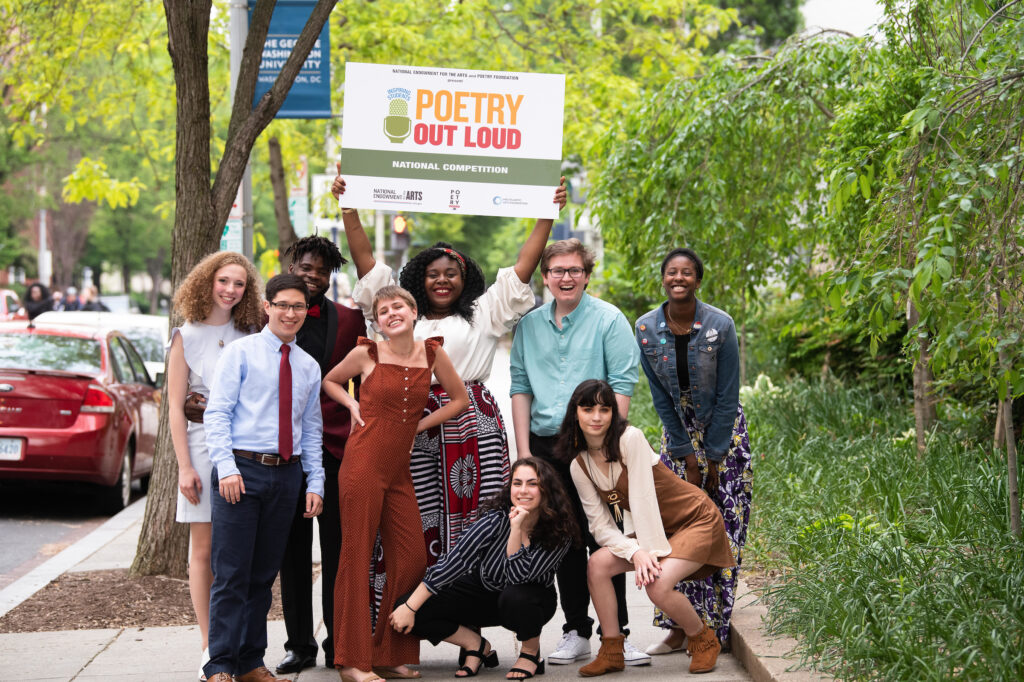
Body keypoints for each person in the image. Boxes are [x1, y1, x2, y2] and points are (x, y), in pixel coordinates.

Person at [332, 171, 566, 609]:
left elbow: (523, 268)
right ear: (418, 281)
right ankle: (412, 618)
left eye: (451, 273)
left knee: (476, 523)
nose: (442, 280)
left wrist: (545, 213)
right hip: (408, 426)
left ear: (464, 278)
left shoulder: (484, 312)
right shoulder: (401, 316)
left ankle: (472, 625)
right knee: (413, 522)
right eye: (433, 274)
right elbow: (368, 268)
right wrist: (350, 209)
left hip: (471, 428)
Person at [509, 238, 648, 666]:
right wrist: (525, 454)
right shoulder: (529, 326)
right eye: (556, 271)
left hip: (594, 444)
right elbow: (520, 386)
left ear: (587, 275)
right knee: (565, 542)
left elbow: (622, 384)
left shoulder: (609, 320)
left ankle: (618, 633)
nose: (565, 278)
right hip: (547, 446)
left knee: (607, 538)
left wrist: (608, 446)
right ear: (545, 277)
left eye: (574, 270)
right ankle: (576, 630)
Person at [322, 285, 470, 682]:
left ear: (414, 311)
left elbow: (460, 400)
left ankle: (387, 652)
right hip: (362, 465)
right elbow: (330, 382)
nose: (391, 313)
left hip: (398, 469)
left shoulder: (433, 353)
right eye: (383, 310)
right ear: (377, 321)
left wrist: (416, 426)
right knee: (356, 559)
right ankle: (351, 661)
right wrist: (352, 404)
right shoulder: (366, 353)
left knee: (412, 557)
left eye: (398, 306)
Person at [557, 380, 735, 676]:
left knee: (657, 584)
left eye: (605, 409)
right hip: (653, 528)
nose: (597, 417)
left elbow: (643, 500)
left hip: (694, 519)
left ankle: (703, 639)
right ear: (575, 413)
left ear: (614, 413)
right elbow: (600, 526)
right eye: (588, 409)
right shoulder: (580, 465)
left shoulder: (630, 439)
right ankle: (612, 649)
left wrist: (645, 552)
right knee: (597, 564)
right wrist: (636, 551)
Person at [202, 273, 326, 682]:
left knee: (262, 577)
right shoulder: (240, 354)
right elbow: (216, 413)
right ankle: (219, 664)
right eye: (283, 305)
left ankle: (251, 662)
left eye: (298, 307)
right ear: (267, 307)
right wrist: (228, 469)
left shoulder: (308, 366)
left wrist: (314, 483)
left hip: (286, 477)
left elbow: (310, 429)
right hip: (242, 472)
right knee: (231, 575)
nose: (291, 314)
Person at [635, 248, 753, 653]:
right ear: (663, 279)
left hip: (726, 434)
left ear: (697, 281)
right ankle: (678, 628)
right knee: (676, 530)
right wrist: (686, 456)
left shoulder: (721, 324)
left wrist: (715, 458)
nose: (679, 278)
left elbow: (728, 392)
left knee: (724, 528)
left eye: (687, 273)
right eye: (672, 272)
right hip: (677, 434)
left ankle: (715, 628)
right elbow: (660, 398)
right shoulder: (647, 328)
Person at [391, 457, 579, 680]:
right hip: (484, 590)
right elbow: (454, 561)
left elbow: (517, 576)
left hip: (530, 601)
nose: (523, 491)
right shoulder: (494, 519)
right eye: (517, 483)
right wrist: (410, 608)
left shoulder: (558, 532)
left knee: (516, 597)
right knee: (408, 605)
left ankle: (530, 653)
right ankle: (476, 645)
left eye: (532, 483)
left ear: (546, 489)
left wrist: (516, 530)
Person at [167, 251, 264, 681]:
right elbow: (173, 407)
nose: (230, 290)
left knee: (239, 553)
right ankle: (209, 644)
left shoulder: (251, 331)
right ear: (207, 281)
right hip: (201, 448)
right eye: (223, 280)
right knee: (203, 550)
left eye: (239, 284)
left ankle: (240, 642)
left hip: (243, 448)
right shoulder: (184, 336)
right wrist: (185, 467)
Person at [275, 236, 366, 675]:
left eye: (320, 270)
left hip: (335, 450)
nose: (311, 275)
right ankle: (299, 645)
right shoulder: (268, 316)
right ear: (292, 266)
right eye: (305, 267)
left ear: (330, 275)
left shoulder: (351, 320)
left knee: (337, 551)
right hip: (284, 451)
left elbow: (363, 386)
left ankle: (338, 642)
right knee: (291, 553)